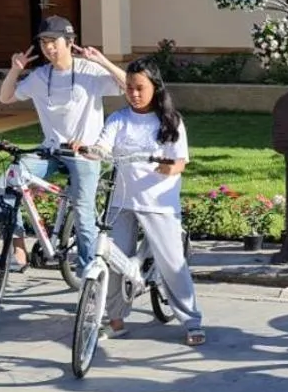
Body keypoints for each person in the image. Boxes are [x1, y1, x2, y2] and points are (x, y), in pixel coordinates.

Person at [87, 55, 205, 347]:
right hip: (121, 201)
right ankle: (115, 320)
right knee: (114, 262)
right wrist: (92, 151)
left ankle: (191, 320)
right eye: (129, 88)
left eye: (140, 87)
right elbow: (102, 145)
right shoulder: (118, 119)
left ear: (154, 87)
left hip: (158, 203)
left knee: (172, 264)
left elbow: (180, 163)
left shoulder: (170, 121)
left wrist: (169, 167)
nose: (134, 94)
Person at [0, 16, 126, 273]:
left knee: (83, 213)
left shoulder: (89, 71)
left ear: (69, 42)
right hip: (51, 151)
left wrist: (102, 61)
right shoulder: (40, 76)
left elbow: (128, 85)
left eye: (53, 41)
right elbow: (6, 97)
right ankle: (19, 251)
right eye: (44, 42)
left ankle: (90, 274)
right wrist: (15, 70)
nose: (48, 48)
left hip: (85, 154)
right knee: (5, 183)